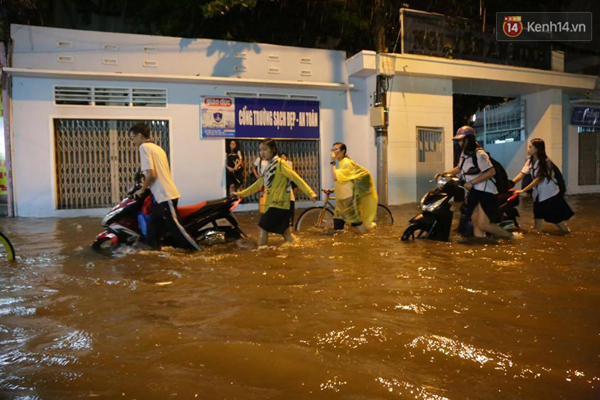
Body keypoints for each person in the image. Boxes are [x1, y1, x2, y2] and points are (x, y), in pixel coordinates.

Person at [130, 123, 201, 251]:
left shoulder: (144, 147)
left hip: (165, 195)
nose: (133, 141)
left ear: (139, 135)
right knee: (152, 229)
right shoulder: (157, 148)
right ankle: (154, 253)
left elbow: (151, 174)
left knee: (177, 229)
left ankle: (198, 252)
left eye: (133, 138)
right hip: (160, 197)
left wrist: (142, 189)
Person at [233, 139, 317, 246]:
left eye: (265, 149)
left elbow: (295, 178)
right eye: (260, 150)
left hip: (280, 204)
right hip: (276, 204)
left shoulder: (281, 164)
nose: (262, 152)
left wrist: (310, 193)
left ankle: (261, 253)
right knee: (286, 234)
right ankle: (301, 248)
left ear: (273, 150)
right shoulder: (269, 165)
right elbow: (259, 183)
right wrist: (241, 194)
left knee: (262, 226)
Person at [437, 126, 515, 239]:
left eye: (461, 140)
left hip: (486, 193)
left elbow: (491, 172)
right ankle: (482, 246)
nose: (459, 142)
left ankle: (512, 237)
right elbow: (459, 168)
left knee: (484, 224)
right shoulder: (465, 153)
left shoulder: (480, 154)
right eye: (458, 140)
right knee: (475, 222)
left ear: (468, 139)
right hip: (474, 192)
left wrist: (472, 182)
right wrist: (444, 175)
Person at [511, 138, 574, 233]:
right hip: (538, 196)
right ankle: (538, 237)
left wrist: (523, 190)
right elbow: (522, 174)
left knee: (557, 220)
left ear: (537, 149)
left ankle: (568, 234)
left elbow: (539, 179)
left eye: (530, 147)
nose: (528, 149)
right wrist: (511, 183)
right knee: (537, 219)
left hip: (550, 196)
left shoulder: (546, 162)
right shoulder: (530, 161)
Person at [330, 142, 378, 233]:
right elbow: (345, 181)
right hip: (342, 201)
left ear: (343, 151)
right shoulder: (342, 163)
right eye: (333, 149)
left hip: (349, 200)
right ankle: (340, 243)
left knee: (356, 222)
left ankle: (369, 236)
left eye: (336, 149)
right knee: (338, 223)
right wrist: (332, 190)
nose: (334, 152)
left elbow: (335, 177)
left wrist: (332, 162)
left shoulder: (346, 163)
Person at [280, 152, 296, 229]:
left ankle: (290, 223)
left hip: (287, 187)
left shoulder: (289, 164)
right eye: (281, 156)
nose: (283, 158)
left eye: (284, 156)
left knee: (290, 202)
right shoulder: (278, 165)